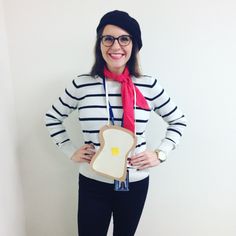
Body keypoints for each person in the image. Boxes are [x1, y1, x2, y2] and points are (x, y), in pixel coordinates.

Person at [44, 10, 187, 236]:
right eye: (108, 38)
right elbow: (52, 118)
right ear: (100, 44)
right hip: (93, 181)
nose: (116, 46)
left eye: (124, 39)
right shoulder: (82, 85)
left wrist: (160, 154)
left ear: (134, 45)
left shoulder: (148, 86)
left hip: (135, 183)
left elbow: (178, 120)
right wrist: (69, 150)